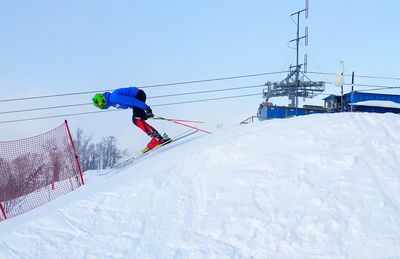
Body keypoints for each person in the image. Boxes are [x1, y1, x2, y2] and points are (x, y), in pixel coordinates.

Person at [92, 87, 170, 152]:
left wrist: (146, 108)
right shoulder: (112, 102)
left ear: (102, 100)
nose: (100, 108)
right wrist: (142, 114)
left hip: (138, 95)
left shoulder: (114, 98)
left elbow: (132, 101)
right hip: (137, 99)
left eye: (99, 106)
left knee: (135, 119)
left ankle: (157, 138)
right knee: (137, 119)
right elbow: (131, 105)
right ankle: (157, 137)